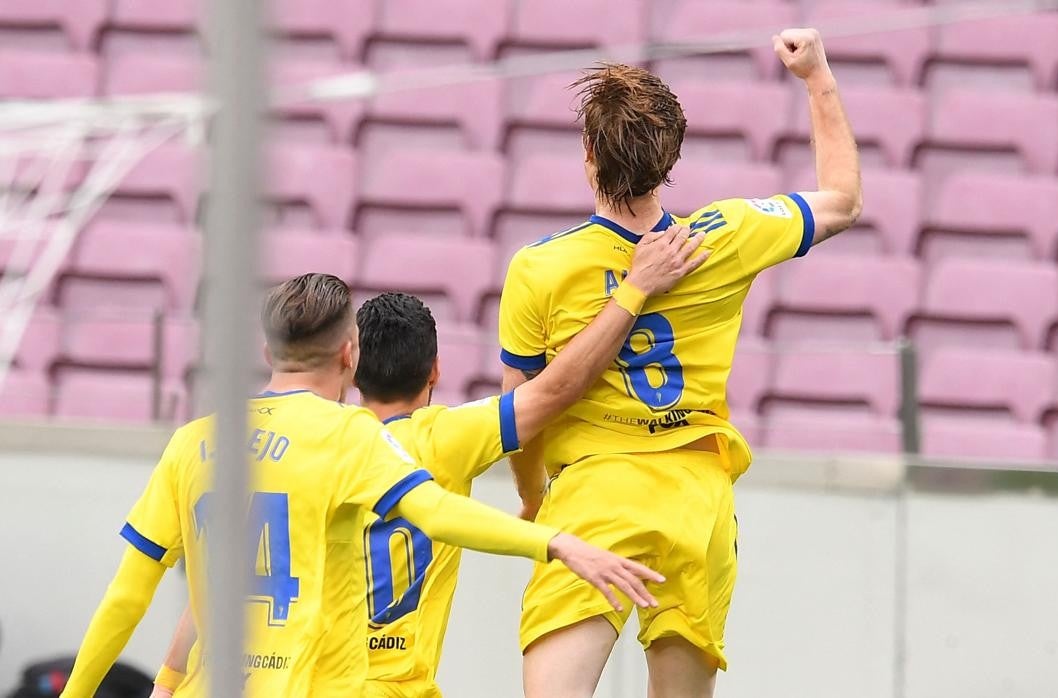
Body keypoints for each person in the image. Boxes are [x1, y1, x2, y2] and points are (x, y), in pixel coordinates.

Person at [146, 227, 708, 697]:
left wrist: (168, 681)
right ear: (434, 370)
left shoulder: (313, 447)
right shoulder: (446, 438)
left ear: (353, 361)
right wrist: (634, 290)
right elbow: (552, 392)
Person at [497, 28, 862, 698]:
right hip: (697, 500)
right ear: (671, 159)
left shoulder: (540, 268)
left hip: (594, 496)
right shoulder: (726, 236)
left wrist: (529, 497)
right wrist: (817, 77)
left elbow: (521, 412)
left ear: (589, 157)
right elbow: (841, 199)